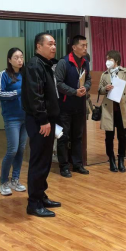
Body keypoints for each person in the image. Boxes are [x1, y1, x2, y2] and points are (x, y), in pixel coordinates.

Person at [22, 33, 62, 218]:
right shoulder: (34, 65)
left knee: (45, 161)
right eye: (50, 44)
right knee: (38, 161)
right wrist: (43, 119)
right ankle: (34, 203)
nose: (53, 47)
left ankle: (41, 195)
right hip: (39, 121)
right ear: (39, 46)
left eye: (54, 44)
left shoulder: (46, 64)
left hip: (47, 119)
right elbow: (35, 96)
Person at [55, 35, 91, 178]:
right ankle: (64, 166)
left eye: (86, 45)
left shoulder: (85, 62)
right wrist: (74, 92)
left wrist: (85, 88)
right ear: (74, 47)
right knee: (63, 137)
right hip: (65, 106)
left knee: (78, 136)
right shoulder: (63, 62)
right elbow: (58, 83)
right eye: (82, 45)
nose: (85, 48)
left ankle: (77, 164)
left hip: (79, 106)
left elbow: (88, 79)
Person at [0, 48, 28, 196]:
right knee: (12, 150)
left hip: (26, 117)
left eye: (21, 57)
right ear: (9, 60)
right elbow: (0, 94)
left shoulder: (25, 74)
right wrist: (18, 92)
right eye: (16, 57)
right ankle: (4, 182)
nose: (20, 60)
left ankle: (15, 179)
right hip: (11, 118)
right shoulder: (3, 75)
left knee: (21, 150)